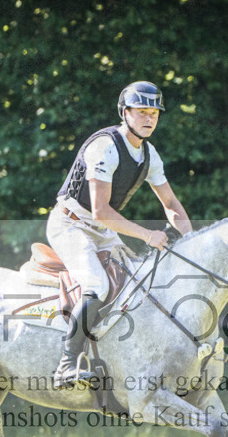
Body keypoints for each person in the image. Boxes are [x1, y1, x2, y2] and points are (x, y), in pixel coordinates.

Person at [47, 81, 193, 387]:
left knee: (139, 281)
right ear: (124, 112)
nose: (149, 119)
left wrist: (190, 242)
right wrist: (146, 235)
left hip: (101, 230)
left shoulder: (149, 155)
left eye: (154, 112)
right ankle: (66, 365)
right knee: (98, 285)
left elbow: (171, 204)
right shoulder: (105, 147)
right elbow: (100, 210)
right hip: (70, 224)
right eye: (141, 112)